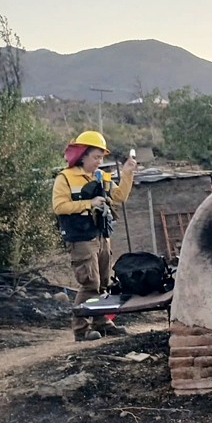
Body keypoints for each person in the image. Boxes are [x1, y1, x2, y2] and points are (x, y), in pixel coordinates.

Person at [52, 131, 137, 341]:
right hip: (81, 237)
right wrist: (89, 204)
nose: (99, 162)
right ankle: (81, 328)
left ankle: (102, 322)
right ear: (82, 155)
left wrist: (127, 174)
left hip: (101, 235)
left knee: (103, 283)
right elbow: (59, 206)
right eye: (96, 157)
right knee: (89, 283)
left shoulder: (101, 177)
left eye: (101, 157)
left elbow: (119, 197)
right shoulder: (65, 178)